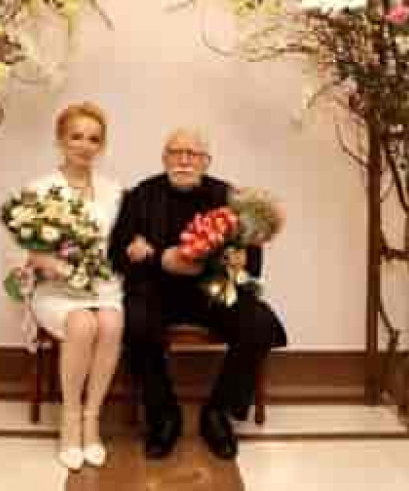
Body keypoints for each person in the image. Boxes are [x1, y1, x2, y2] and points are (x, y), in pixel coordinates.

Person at [108, 128, 287, 460]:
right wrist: (149, 256)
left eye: (193, 154)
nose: (184, 160)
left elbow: (252, 262)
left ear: (206, 161)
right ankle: (164, 415)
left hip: (211, 291)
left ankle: (218, 413)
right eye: (176, 152)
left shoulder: (229, 197)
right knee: (135, 322)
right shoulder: (141, 195)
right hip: (157, 288)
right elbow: (116, 253)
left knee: (258, 323)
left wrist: (233, 260)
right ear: (164, 158)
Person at [6, 102, 124, 471]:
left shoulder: (113, 191)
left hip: (102, 286)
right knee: (82, 323)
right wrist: (45, 261)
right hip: (55, 291)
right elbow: (19, 248)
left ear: (102, 146)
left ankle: (93, 419)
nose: (85, 145)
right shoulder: (40, 189)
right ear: (60, 140)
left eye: (94, 139)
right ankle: (70, 420)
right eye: (76, 136)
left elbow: (119, 244)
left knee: (111, 323)